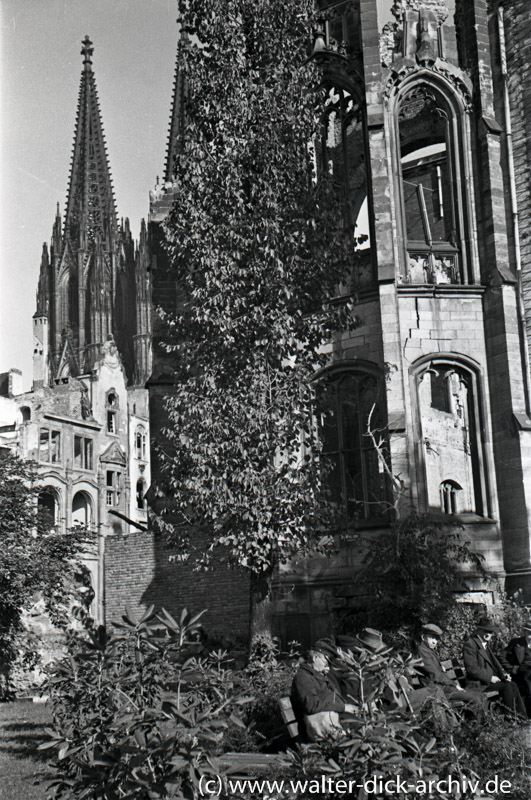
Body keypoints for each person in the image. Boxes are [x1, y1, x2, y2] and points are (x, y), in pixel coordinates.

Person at [417, 623, 487, 719]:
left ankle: (480, 724)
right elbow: (435, 675)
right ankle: (475, 726)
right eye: (432, 638)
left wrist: (452, 684)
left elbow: (439, 673)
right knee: (474, 698)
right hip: (436, 690)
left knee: (480, 695)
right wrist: (454, 684)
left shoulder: (429, 651)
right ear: (423, 637)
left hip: (442, 687)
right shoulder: (422, 652)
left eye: (436, 639)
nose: (435, 642)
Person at [462, 617, 527, 718]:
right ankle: (509, 718)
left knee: (512, 684)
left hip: (486, 681)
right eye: (486, 631)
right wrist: (490, 677)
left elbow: (493, 664)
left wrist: (503, 675)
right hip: (478, 683)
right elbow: (471, 669)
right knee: (507, 687)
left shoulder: (484, 644)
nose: (489, 634)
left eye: (491, 632)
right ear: (478, 630)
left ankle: (521, 717)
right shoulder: (470, 644)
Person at [291, 648, 356, 741]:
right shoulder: (303, 677)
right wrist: (344, 707)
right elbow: (312, 705)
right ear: (315, 658)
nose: (327, 666)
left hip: (336, 721)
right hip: (323, 725)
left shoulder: (317, 675)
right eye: (325, 662)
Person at [500, 621, 531, 713]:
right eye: (529, 632)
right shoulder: (516, 643)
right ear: (525, 632)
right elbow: (501, 656)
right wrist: (511, 668)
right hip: (521, 672)